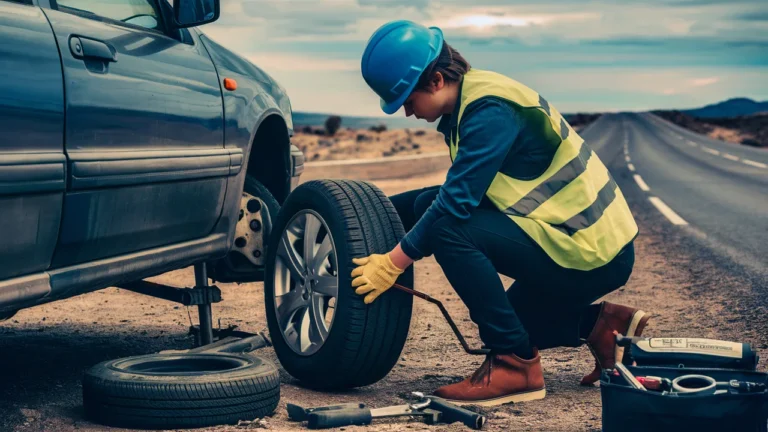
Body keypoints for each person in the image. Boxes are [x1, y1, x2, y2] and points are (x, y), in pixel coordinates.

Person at [350, 20, 650, 407]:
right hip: (574, 238)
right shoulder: (474, 100)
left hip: (589, 249)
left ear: (437, 80)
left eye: (407, 99)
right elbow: (447, 197)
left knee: (449, 230)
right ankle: (603, 327)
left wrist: (392, 262)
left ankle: (515, 366)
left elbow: (455, 205)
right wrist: (364, 218)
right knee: (514, 321)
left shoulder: (490, 112)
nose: (406, 112)